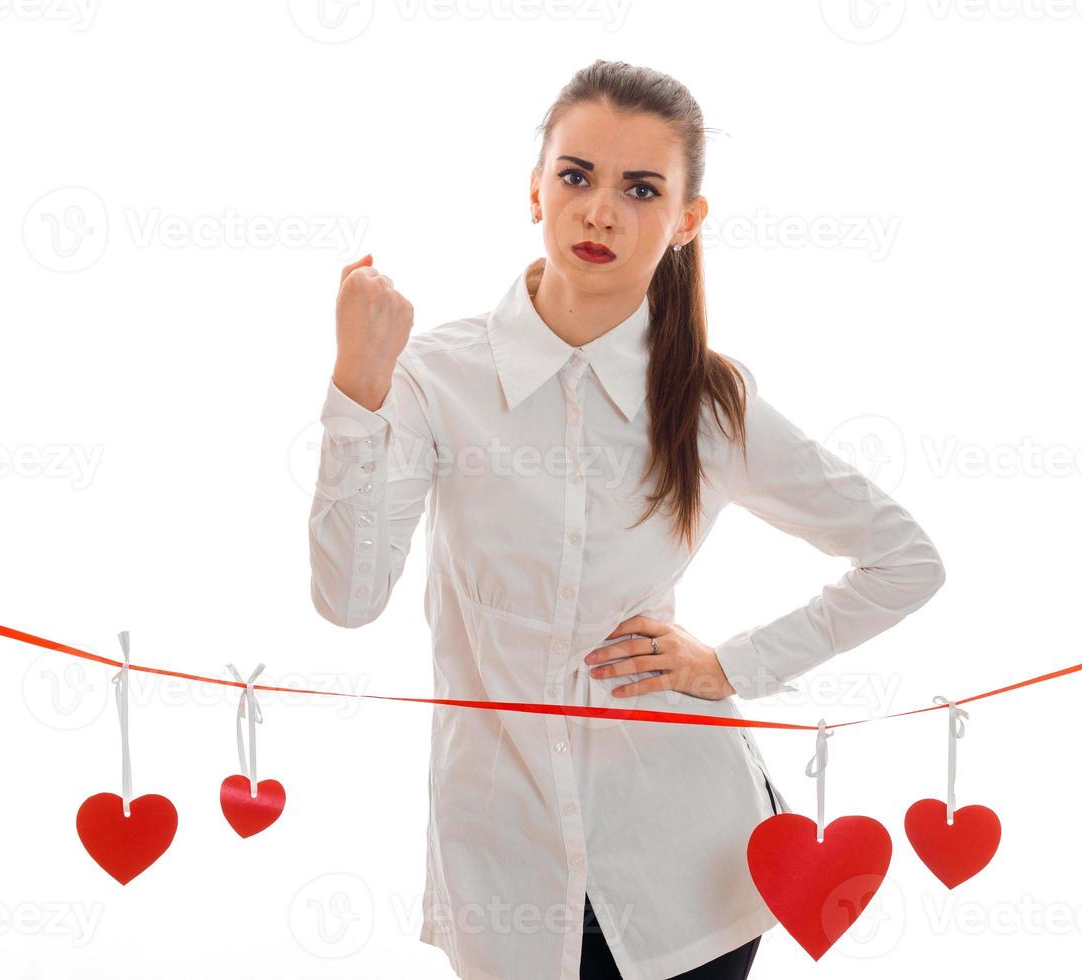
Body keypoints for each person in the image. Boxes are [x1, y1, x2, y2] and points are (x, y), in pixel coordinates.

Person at [308, 59, 945, 980]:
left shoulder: (710, 403)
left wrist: (730, 665)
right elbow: (348, 599)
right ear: (535, 189)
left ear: (686, 220)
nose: (600, 211)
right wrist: (355, 391)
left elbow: (903, 560)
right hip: (506, 873)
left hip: (688, 869)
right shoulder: (431, 377)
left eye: (640, 189)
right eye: (577, 176)